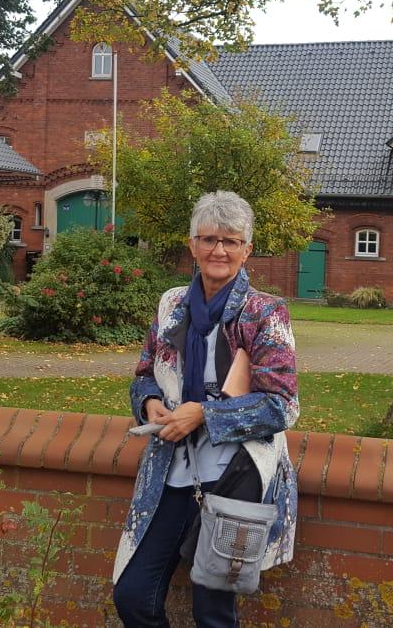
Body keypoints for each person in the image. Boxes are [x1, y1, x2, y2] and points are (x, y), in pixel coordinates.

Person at [112, 191, 300, 627]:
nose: (219, 250)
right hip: (173, 468)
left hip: (236, 473)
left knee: (212, 611)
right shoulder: (171, 305)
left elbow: (282, 406)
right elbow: (143, 374)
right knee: (133, 595)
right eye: (209, 239)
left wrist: (204, 415)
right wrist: (152, 403)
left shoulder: (264, 313)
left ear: (246, 250)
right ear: (192, 245)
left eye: (231, 241)